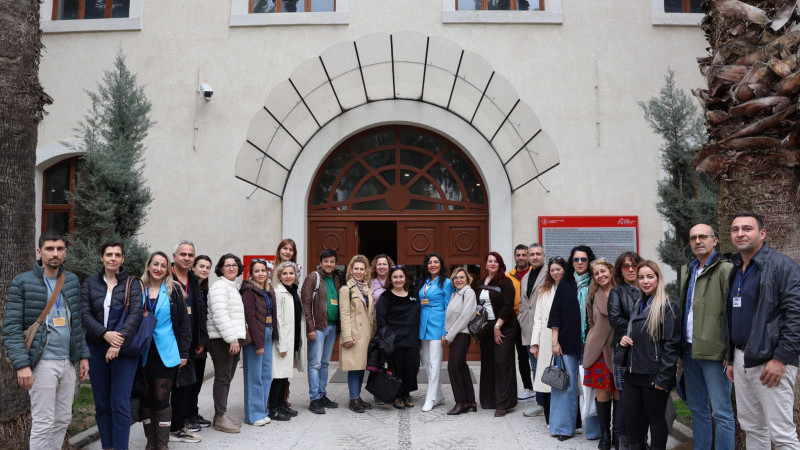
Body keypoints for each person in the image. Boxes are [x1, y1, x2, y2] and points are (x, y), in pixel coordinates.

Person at [3, 232, 89, 450]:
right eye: (50, 249)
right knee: (43, 422)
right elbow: (11, 328)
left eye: (60, 249)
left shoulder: (70, 280)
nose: (55, 253)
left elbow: (76, 322)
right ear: (39, 252)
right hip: (41, 362)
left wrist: (83, 355)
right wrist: (22, 365)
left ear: (65, 252)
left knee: (62, 420)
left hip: (68, 361)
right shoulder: (23, 282)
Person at [724, 212, 800, 449]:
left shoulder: (782, 266)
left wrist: (781, 359)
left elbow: (796, 315)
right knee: (752, 427)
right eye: (735, 229)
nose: (740, 233)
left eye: (747, 228)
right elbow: (731, 316)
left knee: (782, 433)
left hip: (771, 361)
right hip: (740, 359)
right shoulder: (736, 268)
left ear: (762, 233)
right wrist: (730, 359)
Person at [80, 240, 143, 450]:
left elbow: (135, 314)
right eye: (109, 254)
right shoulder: (90, 283)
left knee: (120, 403)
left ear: (123, 258)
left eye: (117, 255)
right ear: (102, 257)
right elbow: (85, 314)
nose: (113, 258)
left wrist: (118, 341)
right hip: (97, 348)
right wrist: (105, 334)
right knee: (102, 404)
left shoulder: (132, 284)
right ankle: (108, 446)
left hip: (124, 349)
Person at [678, 224, 735, 450]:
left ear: (715, 240)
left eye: (703, 236)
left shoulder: (726, 269)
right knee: (697, 409)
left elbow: (732, 313)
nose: (698, 240)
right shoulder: (688, 269)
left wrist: (729, 352)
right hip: (690, 350)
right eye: (693, 237)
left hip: (716, 353)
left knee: (721, 412)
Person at [620, 260, 680, 450]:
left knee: (656, 419)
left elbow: (672, 345)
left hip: (654, 374)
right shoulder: (638, 303)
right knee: (630, 416)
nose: (645, 281)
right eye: (641, 277)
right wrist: (622, 341)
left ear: (658, 278)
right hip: (633, 372)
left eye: (650, 277)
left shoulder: (667, 306)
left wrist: (663, 378)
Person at [139, 251, 192, 449]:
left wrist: (184, 353)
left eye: (163, 265)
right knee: (146, 398)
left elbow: (183, 324)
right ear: (148, 266)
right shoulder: (137, 288)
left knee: (161, 399)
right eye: (155, 264)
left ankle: (162, 443)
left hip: (166, 353)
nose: (158, 268)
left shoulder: (173, 290)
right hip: (142, 353)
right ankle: (150, 441)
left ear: (167, 269)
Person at [547, 245, 595, 441]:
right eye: (576, 259)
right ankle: (563, 428)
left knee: (591, 387)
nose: (580, 263)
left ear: (590, 260)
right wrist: (554, 341)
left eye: (584, 259)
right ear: (571, 262)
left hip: (593, 342)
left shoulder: (596, 281)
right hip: (566, 341)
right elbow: (556, 312)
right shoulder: (565, 283)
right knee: (565, 386)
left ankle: (594, 431)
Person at [170, 240, 208, 443]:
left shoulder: (193, 279)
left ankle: (178, 426)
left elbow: (199, 311)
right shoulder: (166, 277)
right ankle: (166, 428)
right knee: (166, 387)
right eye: (182, 254)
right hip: (169, 342)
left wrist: (200, 338)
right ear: (174, 256)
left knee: (184, 386)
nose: (186, 258)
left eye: (190, 255)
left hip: (190, 342)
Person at [607, 250, 644, 449]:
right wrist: (642, 328)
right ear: (620, 270)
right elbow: (616, 320)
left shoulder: (649, 288)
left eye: (634, 265)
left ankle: (639, 439)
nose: (631, 269)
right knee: (625, 398)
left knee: (643, 398)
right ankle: (624, 440)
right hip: (624, 351)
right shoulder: (617, 292)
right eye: (626, 266)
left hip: (646, 353)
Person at [206, 254, 246, 433]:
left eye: (235, 265)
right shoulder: (219, 287)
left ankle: (220, 415)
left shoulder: (232, 287)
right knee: (223, 378)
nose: (232, 268)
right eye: (227, 265)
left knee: (227, 377)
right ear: (221, 269)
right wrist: (232, 339)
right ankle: (220, 417)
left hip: (230, 339)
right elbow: (220, 314)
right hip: (222, 340)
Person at [476, 252, 518, 417]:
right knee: (488, 362)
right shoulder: (480, 282)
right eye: (490, 261)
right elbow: (479, 307)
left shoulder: (506, 282)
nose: (492, 264)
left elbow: (508, 306)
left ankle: (504, 403)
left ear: (500, 264)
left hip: (505, 327)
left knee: (502, 362)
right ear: (485, 264)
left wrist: (498, 325)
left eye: (496, 261)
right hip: (487, 328)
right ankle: (489, 400)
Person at [583, 258, 619, 450]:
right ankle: (605, 434)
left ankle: (617, 433)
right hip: (597, 349)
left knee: (618, 391)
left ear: (611, 271)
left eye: (603, 271)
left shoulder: (621, 291)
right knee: (603, 391)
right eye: (596, 273)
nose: (600, 275)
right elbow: (590, 321)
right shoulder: (592, 294)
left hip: (618, 348)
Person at [301, 249, 342, 414]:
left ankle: (322, 394)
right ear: (321, 262)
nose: (329, 264)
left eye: (332, 261)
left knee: (325, 363)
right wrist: (310, 327)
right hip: (318, 328)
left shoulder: (337, 279)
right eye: (326, 261)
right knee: (315, 363)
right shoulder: (313, 277)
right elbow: (306, 304)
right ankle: (314, 399)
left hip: (332, 327)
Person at [376, 265, 422, 409]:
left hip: (412, 338)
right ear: (391, 279)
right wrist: (384, 340)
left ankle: (406, 393)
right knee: (397, 369)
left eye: (401, 277)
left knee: (412, 367)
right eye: (395, 277)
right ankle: (398, 396)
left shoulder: (414, 292)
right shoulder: (386, 296)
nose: (398, 280)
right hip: (394, 340)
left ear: (406, 278)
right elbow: (381, 319)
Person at [530, 257, 569, 424]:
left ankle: (569, 419)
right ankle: (549, 419)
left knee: (566, 378)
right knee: (547, 379)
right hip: (545, 339)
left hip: (566, 337)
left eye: (558, 269)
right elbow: (537, 318)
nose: (555, 272)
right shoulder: (543, 290)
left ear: (565, 270)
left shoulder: (570, 288)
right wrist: (534, 343)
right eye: (552, 270)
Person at [417, 252, 454, 411]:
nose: (432, 265)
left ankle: (430, 397)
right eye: (430, 262)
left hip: (438, 325)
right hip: (424, 324)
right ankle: (439, 395)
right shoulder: (424, 282)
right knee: (428, 363)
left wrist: (445, 331)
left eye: (436, 262)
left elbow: (449, 307)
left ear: (441, 265)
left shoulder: (445, 283)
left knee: (435, 362)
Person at [240, 259, 276, 426]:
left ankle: (262, 411)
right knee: (254, 376)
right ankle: (253, 415)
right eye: (257, 271)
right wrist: (258, 343)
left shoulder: (268, 290)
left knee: (266, 375)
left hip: (268, 333)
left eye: (263, 270)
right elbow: (251, 318)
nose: (261, 273)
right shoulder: (248, 290)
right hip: (256, 337)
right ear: (251, 274)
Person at [269, 261, 307, 421]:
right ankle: (274, 408)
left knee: (285, 376)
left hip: (293, 339)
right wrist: (281, 344)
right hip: (283, 342)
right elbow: (277, 321)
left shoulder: (294, 292)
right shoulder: (278, 292)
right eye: (284, 273)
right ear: (279, 276)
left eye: (291, 273)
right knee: (278, 376)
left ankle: (282, 404)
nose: (288, 276)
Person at [339, 254, 375, 413]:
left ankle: (357, 396)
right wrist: (347, 336)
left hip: (366, 334)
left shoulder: (368, 289)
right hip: (354, 334)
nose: (359, 271)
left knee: (361, 367)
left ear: (366, 271)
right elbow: (344, 314)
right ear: (351, 270)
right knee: (354, 367)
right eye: (356, 269)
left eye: (362, 269)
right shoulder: (346, 289)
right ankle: (353, 399)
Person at [443, 266, 478, 415]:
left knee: (453, 367)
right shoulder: (456, 294)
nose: (458, 280)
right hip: (455, 334)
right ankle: (470, 401)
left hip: (461, 334)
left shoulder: (468, 292)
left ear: (467, 279)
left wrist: (449, 335)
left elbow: (465, 316)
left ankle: (460, 402)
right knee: (461, 366)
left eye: (461, 277)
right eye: (456, 278)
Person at [520, 243, 548, 417]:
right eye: (532, 254)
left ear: (544, 255)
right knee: (535, 367)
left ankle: (548, 403)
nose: (535, 257)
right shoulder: (526, 276)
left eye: (538, 254)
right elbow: (524, 303)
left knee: (545, 367)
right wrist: (521, 317)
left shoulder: (549, 273)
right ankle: (540, 403)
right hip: (528, 327)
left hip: (545, 327)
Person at [186, 255, 213, 429]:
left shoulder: (204, 289)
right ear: (193, 267)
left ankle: (193, 413)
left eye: (207, 267)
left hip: (202, 343)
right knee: (188, 382)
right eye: (201, 266)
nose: (204, 269)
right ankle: (185, 416)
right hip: (190, 343)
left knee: (197, 381)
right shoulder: (189, 287)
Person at [506, 244, 535, 402]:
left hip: (532, 318)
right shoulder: (509, 275)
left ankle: (540, 387)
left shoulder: (535, 273)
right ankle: (528, 388)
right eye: (519, 255)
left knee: (534, 354)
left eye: (524, 255)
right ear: (515, 257)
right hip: (515, 320)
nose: (521, 258)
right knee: (522, 356)